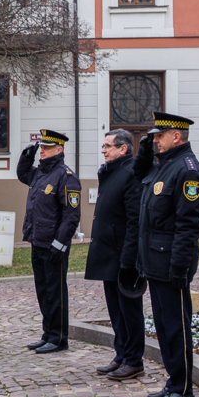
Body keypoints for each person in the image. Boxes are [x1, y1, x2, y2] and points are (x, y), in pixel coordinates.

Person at [132, 111, 199, 397]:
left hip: (171, 265)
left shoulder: (188, 171)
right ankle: (174, 382)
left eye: (159, 136)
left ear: (176, 136)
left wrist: (179, 266)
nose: (154, 140)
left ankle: (183, 388)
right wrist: (145, 151)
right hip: (155, 261)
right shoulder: (165, 166)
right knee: (164, 326)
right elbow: (139, 176)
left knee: (177, 327)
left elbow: (188, 226)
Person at [86, 129, 145, 380]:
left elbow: (135, 221)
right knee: (115, 310)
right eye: (103, 145)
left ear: (123, 149)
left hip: (123, 256)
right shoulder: (109, 172)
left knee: (129, 310)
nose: (103, 150)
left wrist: (128, 260)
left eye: (108, 146)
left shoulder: (130, 173)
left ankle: (134, 360)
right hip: (108, 253)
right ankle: (121, 354)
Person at [17, 129, 82, 354]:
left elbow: (71, 215)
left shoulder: (66, 176)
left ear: (59, 149)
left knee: (56, 292)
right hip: (38, 241)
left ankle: (59, 337)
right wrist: (27, 156)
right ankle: (48, 333)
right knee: (43, 291)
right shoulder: (40, 174)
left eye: (46, 148)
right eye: (41, 147)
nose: (42, 151)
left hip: (54, 244)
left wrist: (60, 243)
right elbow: (23, 174)